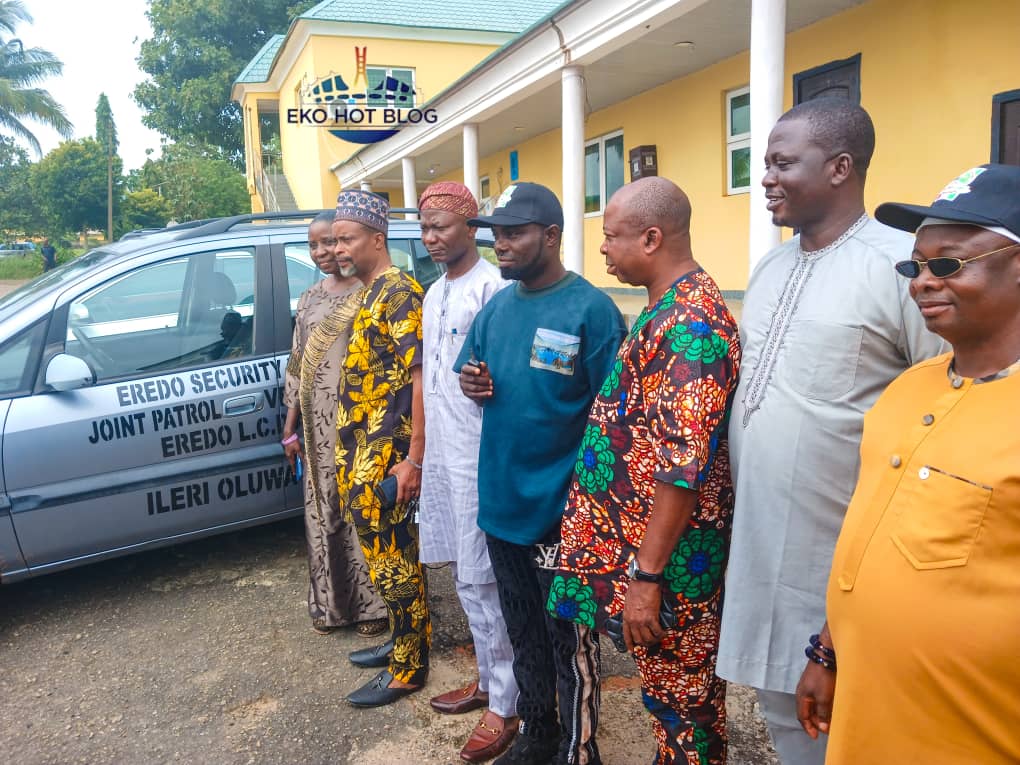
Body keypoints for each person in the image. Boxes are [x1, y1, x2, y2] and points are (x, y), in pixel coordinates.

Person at [715, 98, 944, 765]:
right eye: (765, 163)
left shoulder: (903, 266)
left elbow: (942, 407)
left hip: (844, 548)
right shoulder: (770, 268)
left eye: (784, 162)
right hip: (762, 539)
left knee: (851, 719)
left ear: (841, 167)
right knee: (785, 709)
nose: (767, 177)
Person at [795, 163, 1020, 763]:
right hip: (870, 725)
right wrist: (828, 650)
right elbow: (868, 543)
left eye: (947, 264)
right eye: (913, 266)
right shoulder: (907, 388)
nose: (921, 282)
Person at [549, 177, 740, 764]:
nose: (602, 248)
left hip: (672, 570)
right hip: (646, 559)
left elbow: (682, 470)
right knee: (667, 705)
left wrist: (647, 579)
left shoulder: (691, 328)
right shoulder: (666, 308)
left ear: (652, 238)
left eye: (610, 237)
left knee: (686, 710)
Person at [457, 182, 627, 765]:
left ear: (551, 236)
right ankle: (537, 734)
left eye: (514, 233)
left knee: (568, 644)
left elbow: (615, 419)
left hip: (562, 515)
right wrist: (471, 383)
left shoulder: (591, 312)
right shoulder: (497, 309)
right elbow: (470, 373)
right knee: (522, 629)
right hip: (501, 505)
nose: (500, 245)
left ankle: (578, 751)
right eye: (496, 235)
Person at [416, 182, 518, 763]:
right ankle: (486, 678)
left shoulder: (492, 290)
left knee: (484, 579)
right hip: (442, 458)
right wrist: (420, 451)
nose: (432, 237)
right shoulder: (435, 294)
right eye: (426, 227)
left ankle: (506, 703)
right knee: (461, 573)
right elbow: (431, 380)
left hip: (479, 453)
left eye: (442, 226)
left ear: (470, 227)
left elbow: (499, 383)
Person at [331, 190, 431, 708]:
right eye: (335, 240)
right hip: (360, 451)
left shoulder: (399, 292)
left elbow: (421, 378)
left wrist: (413, 457)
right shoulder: (370, 290)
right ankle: (400, 640)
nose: (338, 248)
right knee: (385, 557)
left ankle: (409, 667)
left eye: (347, 239)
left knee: (394, 560)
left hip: (385, 454)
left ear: (377, 238)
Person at [281, 212, 388, 638]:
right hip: (313, 425)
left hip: (356, 424)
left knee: (359, 509)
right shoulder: (308, 299)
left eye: (330, 242)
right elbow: (296, 364)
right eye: (314, 245)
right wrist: (290, 427)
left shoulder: (370, 294)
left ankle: (372, 607)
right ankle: (331, 605)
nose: (324, 252)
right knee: (321, 511)